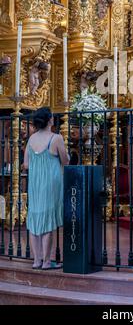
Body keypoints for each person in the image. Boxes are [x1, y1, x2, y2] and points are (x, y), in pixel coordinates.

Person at [23, 107, 69, 270]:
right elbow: (65, 161)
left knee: (35, 219)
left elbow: (26, 164)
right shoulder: (56, 138)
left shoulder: (31, 139)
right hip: (51, 183)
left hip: (35, 183)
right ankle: (47, 262)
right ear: (49, 120)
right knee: (48, 220)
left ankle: (37, 261)